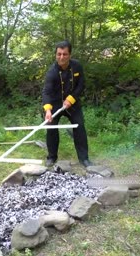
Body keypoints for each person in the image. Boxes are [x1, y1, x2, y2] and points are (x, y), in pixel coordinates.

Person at [42, 40, 93, 168]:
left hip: (72, 103)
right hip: (55, 104)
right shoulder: (51, 72)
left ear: (69, 55)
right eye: (59, 54)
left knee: (79, 127)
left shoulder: (77, 67)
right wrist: (48, 110)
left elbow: (81, 85)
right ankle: (52, 157)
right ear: (55, 54)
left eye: (64, 54)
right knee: (51, 127)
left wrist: (71, 99)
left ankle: (84, 159)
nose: (61, 57)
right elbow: (46, 92)